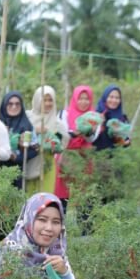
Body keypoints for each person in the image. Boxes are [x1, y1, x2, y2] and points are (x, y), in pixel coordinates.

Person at [55, 85, 94, 213]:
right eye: (80, 98)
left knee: (84, 196)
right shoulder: (65, 114)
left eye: (86, 99)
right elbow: (62, 133)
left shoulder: (94, 116)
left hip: (85, 160)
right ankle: (60, 227)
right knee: (62, 195)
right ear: (75, 99)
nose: (83, 102)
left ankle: (85, 231)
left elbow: (94, 138)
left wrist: (87, 132)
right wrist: (75, 133)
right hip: (67, 159)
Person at [25, 85, 70, 194]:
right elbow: (21, 137)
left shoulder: (57, 123)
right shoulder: (27, 117)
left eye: (50, 100)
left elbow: (64, 142)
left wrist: (54, 144)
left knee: (45, 200)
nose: (48, 103)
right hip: (28, 165)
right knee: (27, 201)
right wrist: (34, 131)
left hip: (47, 167)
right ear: (37, 99)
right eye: (44, 100)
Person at [0, 91, 35, 190]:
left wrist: (17, 157)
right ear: (4, 105)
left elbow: (34, 150)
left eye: (17, 104)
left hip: (18, 172)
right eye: (10, 104)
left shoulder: (26, 125)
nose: (14, 106)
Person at [93, 84, 130, 151]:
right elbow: (88, 137)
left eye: (117, 98)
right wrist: (100, 124)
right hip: (96, 157)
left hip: (115, 157)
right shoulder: (95, 114)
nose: (114, 100)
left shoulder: (122, 117)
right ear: (105, 97)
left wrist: (124, 141)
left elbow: (126, 141)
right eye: (111, 97)